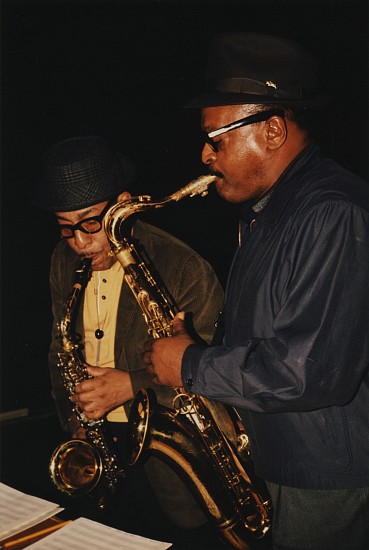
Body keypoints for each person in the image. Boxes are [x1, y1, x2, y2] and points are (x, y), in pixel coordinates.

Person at [142, 32, 369, 550]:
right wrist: (198, 343)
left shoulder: (332, 211)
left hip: (325, 476)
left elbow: (309, 370)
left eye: (215, 139)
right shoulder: (271, 210)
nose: (204, 155)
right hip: (289, 459)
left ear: (271, 130)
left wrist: (193, 365)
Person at [32, 135, 226, 549]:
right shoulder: (62, 260)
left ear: (122, 204)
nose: (80, 242)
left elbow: (212, 367)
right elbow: (58, 348)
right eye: (66, 228)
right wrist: (75, 424)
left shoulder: (183, 266)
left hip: (167, 454)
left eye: (89, 222)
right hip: (95, 442)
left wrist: (131, 384)